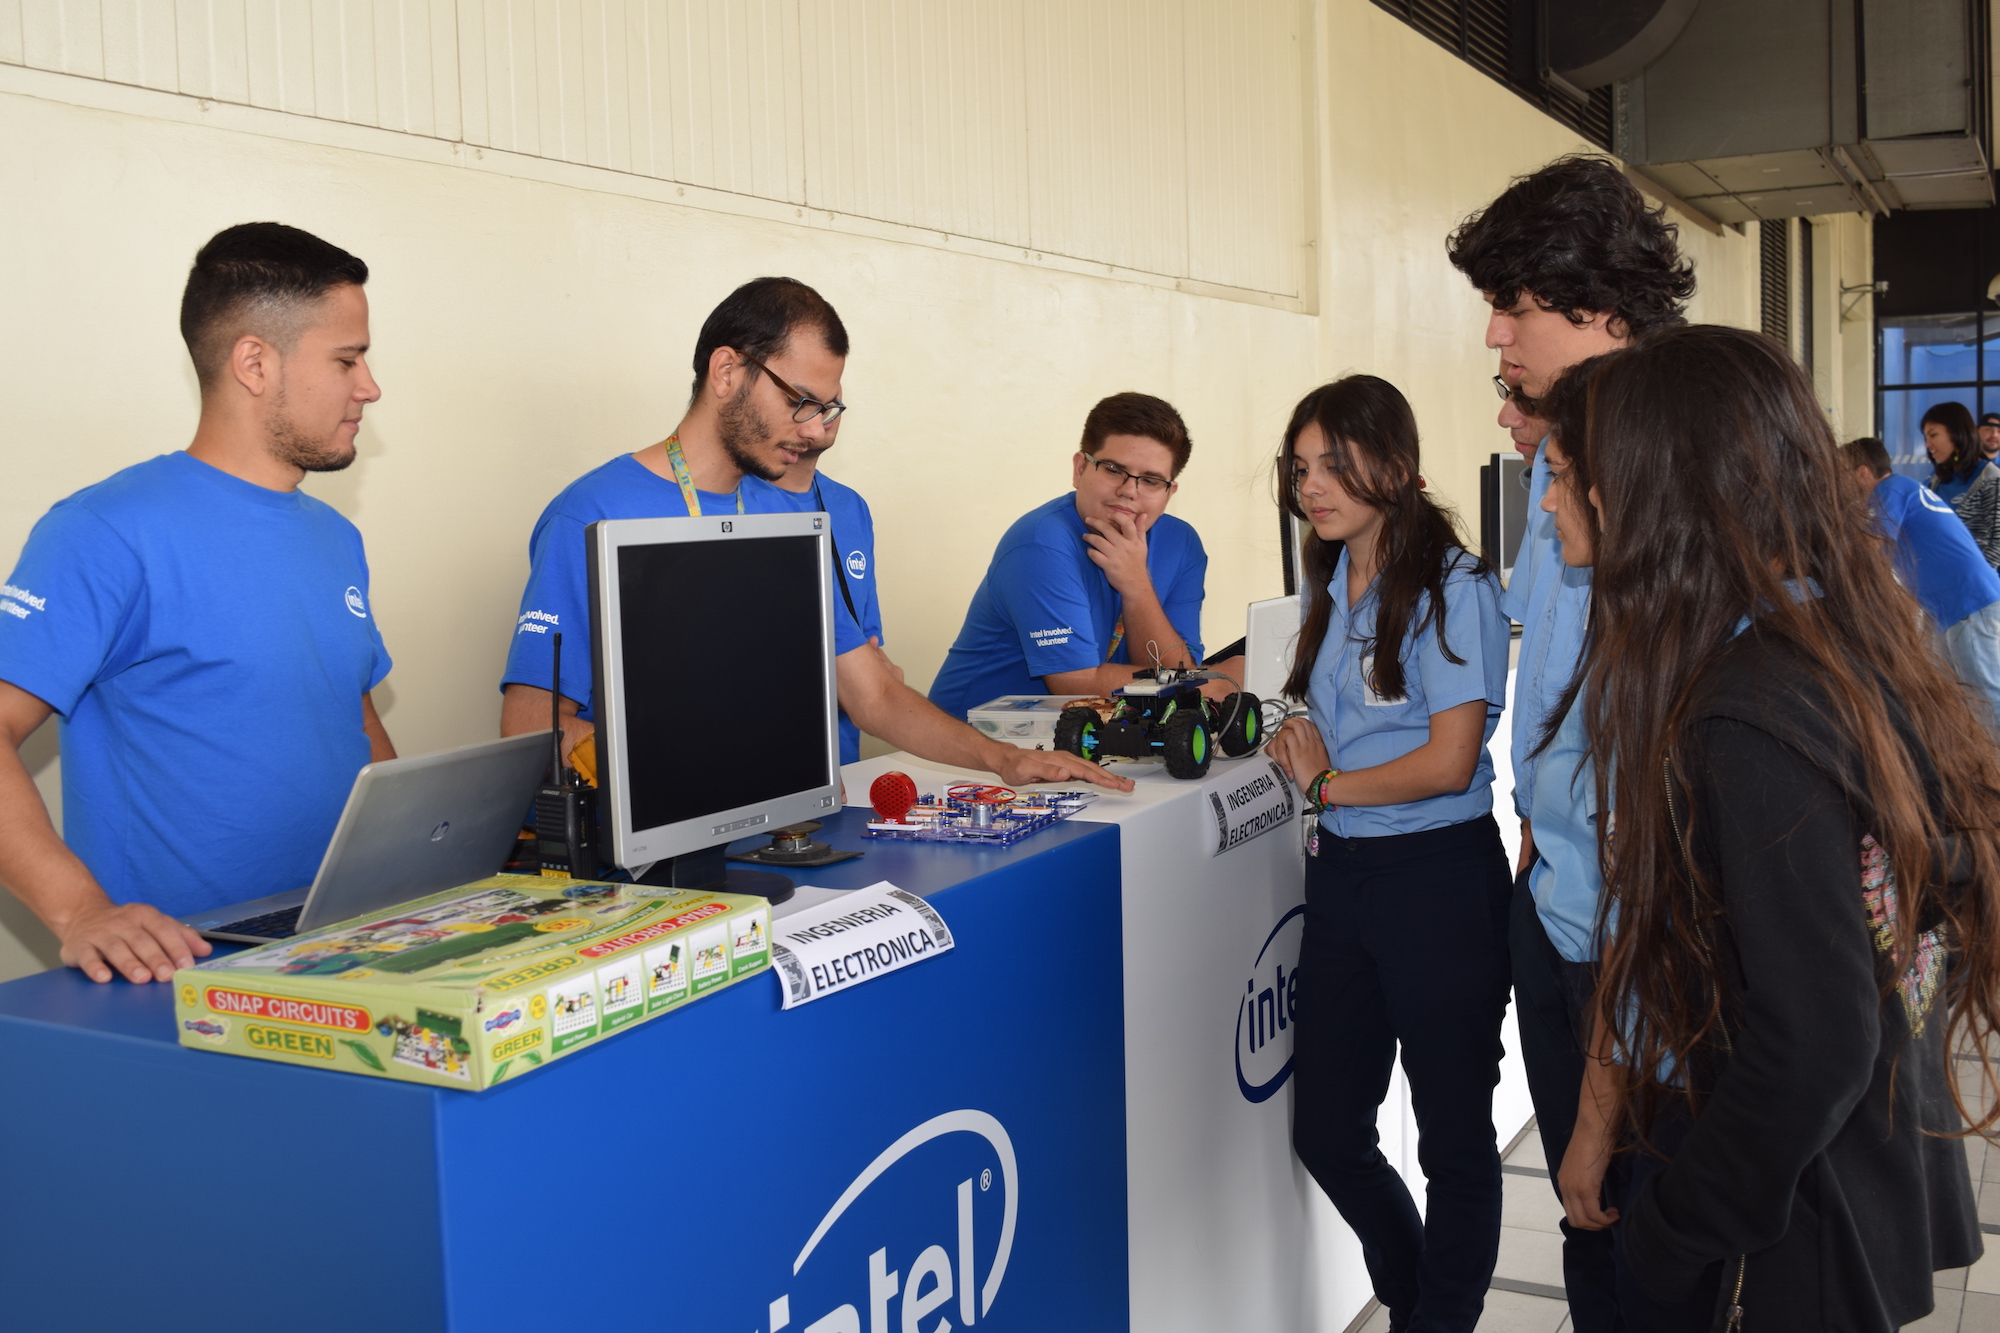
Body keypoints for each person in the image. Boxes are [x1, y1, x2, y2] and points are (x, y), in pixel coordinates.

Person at [1556, 325, 1987, 1331]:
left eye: (1573, 476)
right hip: (1860, 1170)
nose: (1550, 500)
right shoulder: (1822, 637)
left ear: (1658, 494)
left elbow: (1816, 1038)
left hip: (1806, 1220)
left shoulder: (1747, 713)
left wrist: (1672, 1225)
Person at [501, 277, 1126, 794]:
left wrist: (1001, 759)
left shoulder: (788, 522)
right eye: (800, 400)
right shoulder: (592, 515)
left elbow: (874, 695)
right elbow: (531, 728)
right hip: (652, 866)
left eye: (827, 407)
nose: (814, 427)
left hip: (784, 827)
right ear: (727, 371)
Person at [0, 222, 396, 984]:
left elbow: (352, 717)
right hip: (190, 977)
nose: (369, 386)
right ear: (254, 362)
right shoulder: (105, 531)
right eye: (347, 359)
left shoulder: (334, 537)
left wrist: (424, 850)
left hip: (344, 952)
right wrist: (79, 911)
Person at [1447, 152, 1693, 1332]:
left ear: (1596, 303)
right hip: (1552, 907)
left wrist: (1606, 1086)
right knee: (1586, 1237)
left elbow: (1664, 824)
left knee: (1639, 1233)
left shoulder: (1676, 484)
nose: (1495, 337)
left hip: (1636, 955)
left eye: (1514, 304)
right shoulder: (1560, 469)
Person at [1264, 375, 1513, 1332]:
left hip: (1438, 881)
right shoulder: (1332, 579)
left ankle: (1439, 1317)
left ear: (1395, 467)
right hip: (1345, 880)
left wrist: (1325, 784)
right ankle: (1417, 1297)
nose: (1312, 486)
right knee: (1327, 1125)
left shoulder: (1453, 587)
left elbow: (1450, 763)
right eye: (1300, 468)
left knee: (1453, 1140)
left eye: (1333, 463)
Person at [928, 393, 1217, 721]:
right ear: (1080, 469)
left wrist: (1138, 588)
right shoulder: (1041, 543)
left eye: (1150, 480)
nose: (1129, 490)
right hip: (970, 744)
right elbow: (1075, 685)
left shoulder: (1182, 543)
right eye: (1113, 469)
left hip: (1089, 739)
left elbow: (1177, 670)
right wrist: (1198, 686)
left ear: (1169, 492)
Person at [1840, 435, 2000, 731]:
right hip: (1950, 609)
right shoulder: (1900, 490)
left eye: (1841, 472)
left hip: (1967, 602)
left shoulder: (1889, 488)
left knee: (1987, 697)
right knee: (1954, 696)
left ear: (1862, 472)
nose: (1837, 482)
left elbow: (1865, 549)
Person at [769, 417, 890, 765]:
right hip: (766, 767)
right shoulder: (735, 505)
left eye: (831, 404)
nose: (820, 417)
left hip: (843, 765)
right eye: (804, 402)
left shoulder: (850, 505)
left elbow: (872, 652)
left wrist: (864, 680)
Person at [1922, 401, 2000, 568]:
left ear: (1956, 433)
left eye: (1933, 435)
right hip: (1939, 584)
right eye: (1926, 437)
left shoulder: (1991, 478)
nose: (1927, 444)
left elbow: (1997, 545)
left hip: (1979, 589)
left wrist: (1971, 582)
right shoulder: (1934, 482)